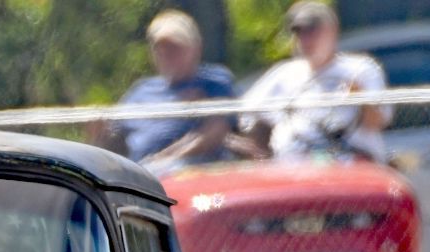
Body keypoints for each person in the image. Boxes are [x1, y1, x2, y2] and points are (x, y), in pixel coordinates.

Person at [100, 11, 257, 172]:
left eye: (175, 47)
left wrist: (164, 159)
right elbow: (112, 139)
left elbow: (215, 133)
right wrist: (99, 132)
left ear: (195, 49)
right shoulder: (140, 90)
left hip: (191, 172)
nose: (166, 54)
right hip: (140, 176)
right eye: (159, 48)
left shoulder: (214, 82)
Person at [239, 2, 391, 162]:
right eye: (299, 33)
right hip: (293, 171)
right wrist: (259, 148)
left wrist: (360, 98)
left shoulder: (360, 69)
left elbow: (378, 122)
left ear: (332, 32)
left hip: (350, 164)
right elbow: (246, 113)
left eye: (312, 31)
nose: (305, 39)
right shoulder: (284, 74)